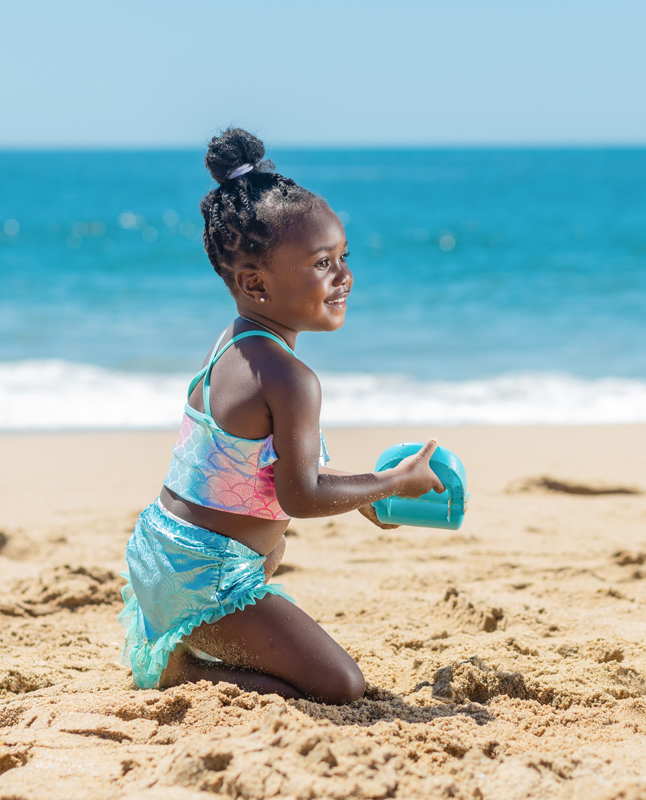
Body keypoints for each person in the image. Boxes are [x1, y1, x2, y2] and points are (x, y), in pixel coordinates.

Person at [119, 128, 445, 704]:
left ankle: (201, 632)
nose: (343, 276)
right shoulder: (293, 380)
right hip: (204, 580)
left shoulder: (234, 344)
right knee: (341, 687)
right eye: (323, 263)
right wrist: (397, 481)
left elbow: (256, 473)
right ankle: (186, 672)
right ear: (255, 283)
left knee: (271, 549)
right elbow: (301, 496)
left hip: (162, 551)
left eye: (344, 257)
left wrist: (364, 495)